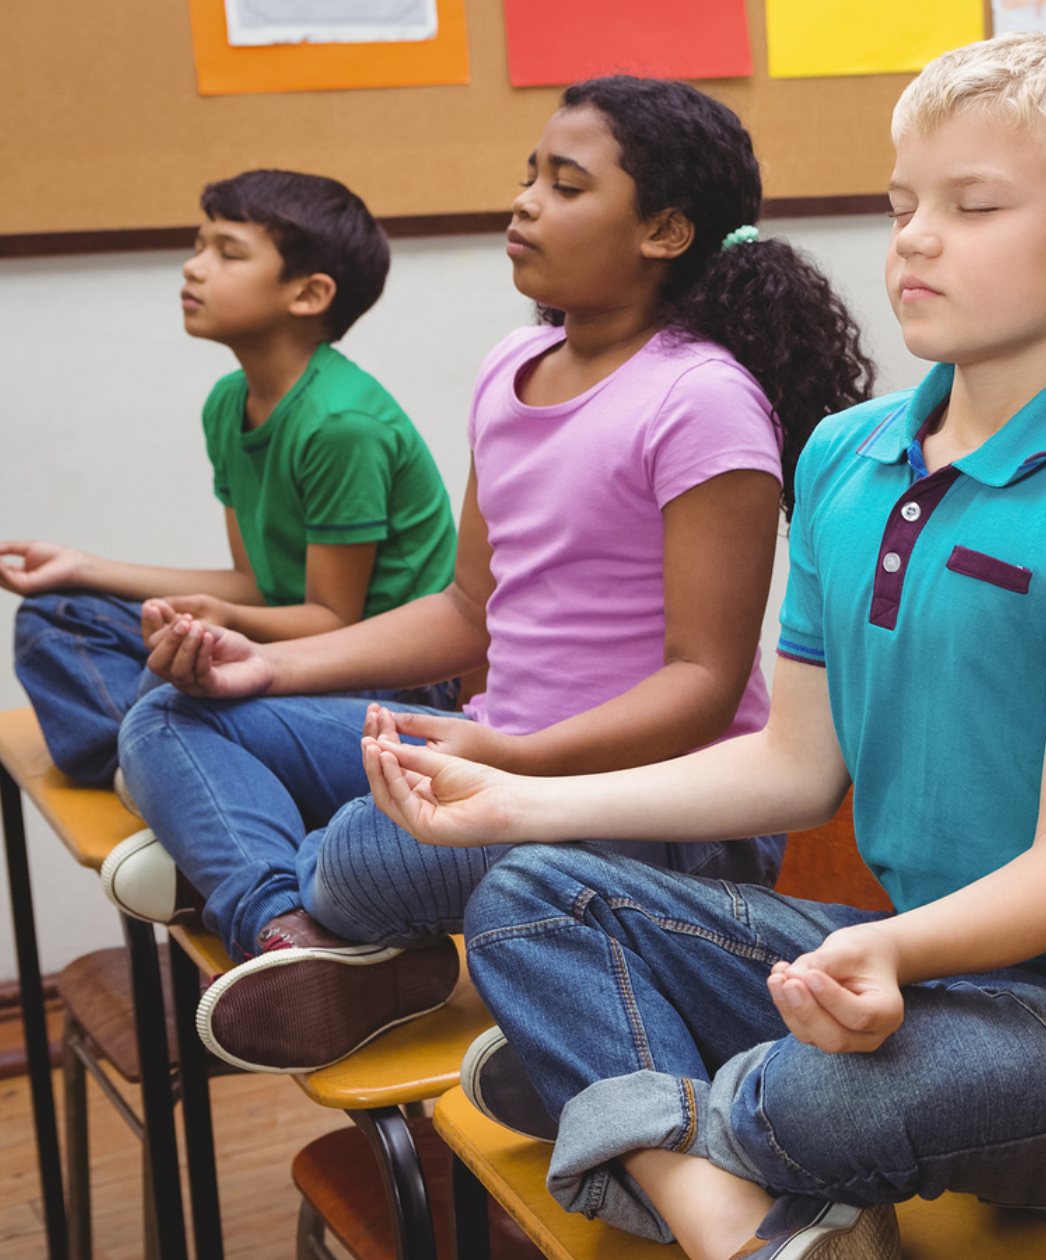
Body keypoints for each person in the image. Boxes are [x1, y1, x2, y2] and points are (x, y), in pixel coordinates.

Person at [362, 34, 1046, 1260]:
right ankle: (719, 1208)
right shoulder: (846, 457)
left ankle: (624, 1104)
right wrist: (512, 796)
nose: (914, 238)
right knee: (528, 897)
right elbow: (792, 765)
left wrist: (884, 945)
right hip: (905, 969)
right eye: (903, 204)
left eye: (971, 206)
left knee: (813, 1092)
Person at [104, 77, 875, 1073]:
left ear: (665, 230)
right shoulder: (512, 365)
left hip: (649, 809)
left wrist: (513, 760)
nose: (523, 202)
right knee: (170, 716)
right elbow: (469, 608)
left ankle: (258, 889)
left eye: (564, 185)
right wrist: (261, 669)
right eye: (529, 177)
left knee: (353, 851)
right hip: (496, 753)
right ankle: (290, 934)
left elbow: (703, 688)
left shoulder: (702, 401)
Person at [0, 171, 455, 788]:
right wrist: (78, 565)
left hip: (386, 674)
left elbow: (333, 620)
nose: (193, 268)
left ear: (308, 294)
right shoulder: (230, 403)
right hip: (294, 641)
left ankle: (158, 764)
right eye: (199, 246)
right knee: (59, 611)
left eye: (227, 253)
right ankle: (134, 770)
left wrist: (222, 617)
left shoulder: (341, 425)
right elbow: (254, 584)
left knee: (191, 686)